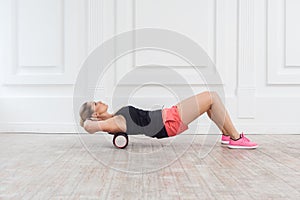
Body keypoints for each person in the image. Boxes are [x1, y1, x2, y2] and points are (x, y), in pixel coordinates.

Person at [79, 91, 258, 149]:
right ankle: (236, 138)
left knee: (210, 104)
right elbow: (88, 127)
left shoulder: (115, 117)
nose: (100, 101)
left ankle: (227, 135)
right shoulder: (113, 122)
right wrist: (88, 121)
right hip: (167, 123)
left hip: (167, 116)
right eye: (96, 104)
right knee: (212, 97)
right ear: (95, 114)